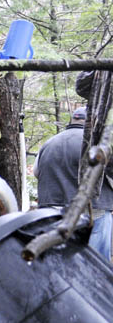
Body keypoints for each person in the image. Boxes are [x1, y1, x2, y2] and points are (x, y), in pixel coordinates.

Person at [34, 106, 113, 260]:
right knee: (96, 264)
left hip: (54, 213)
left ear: (73, 120)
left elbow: (37, 172)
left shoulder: (49, 143)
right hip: (93, 214)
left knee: (61, 263)